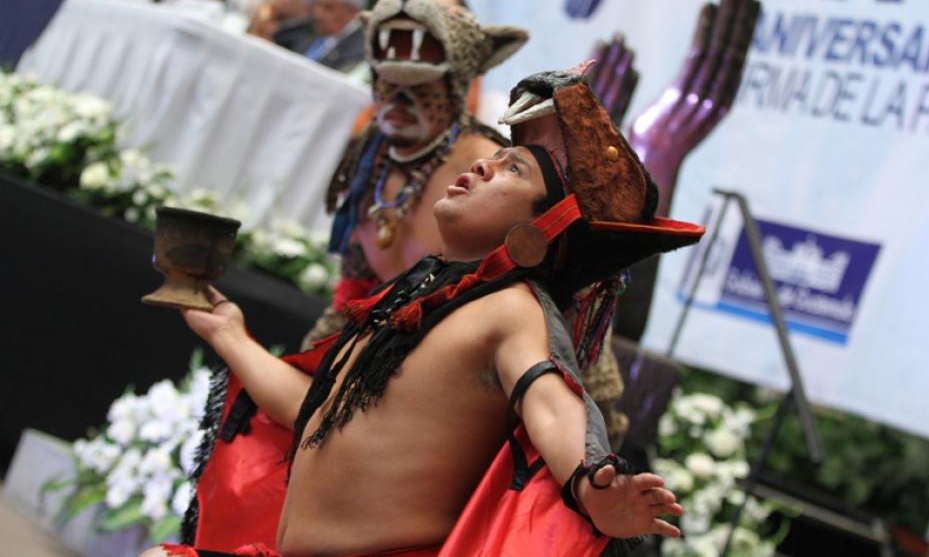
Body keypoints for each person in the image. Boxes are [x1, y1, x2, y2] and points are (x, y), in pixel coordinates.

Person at [143, 63, 705, 557]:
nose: (485, 165)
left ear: (543, 228)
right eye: (496, 156)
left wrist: (591, 486)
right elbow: (317, 413)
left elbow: (554, 403)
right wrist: (231, 334)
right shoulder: (415, 295)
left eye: (513, 170)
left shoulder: (513, 309)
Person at [304, 0, 528, 341]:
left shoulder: (485, 169)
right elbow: (355, 286)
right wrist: (321, 349)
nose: (399, 102)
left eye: (421, 90)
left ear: (454, 91)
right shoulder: (369, 160)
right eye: (387, 87)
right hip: (374, 350)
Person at [300, 0, 369, 73]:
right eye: (317, 4)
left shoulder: (362, 51)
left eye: (328, 7)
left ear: (351, 11)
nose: (317, 13)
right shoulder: (306, 28)